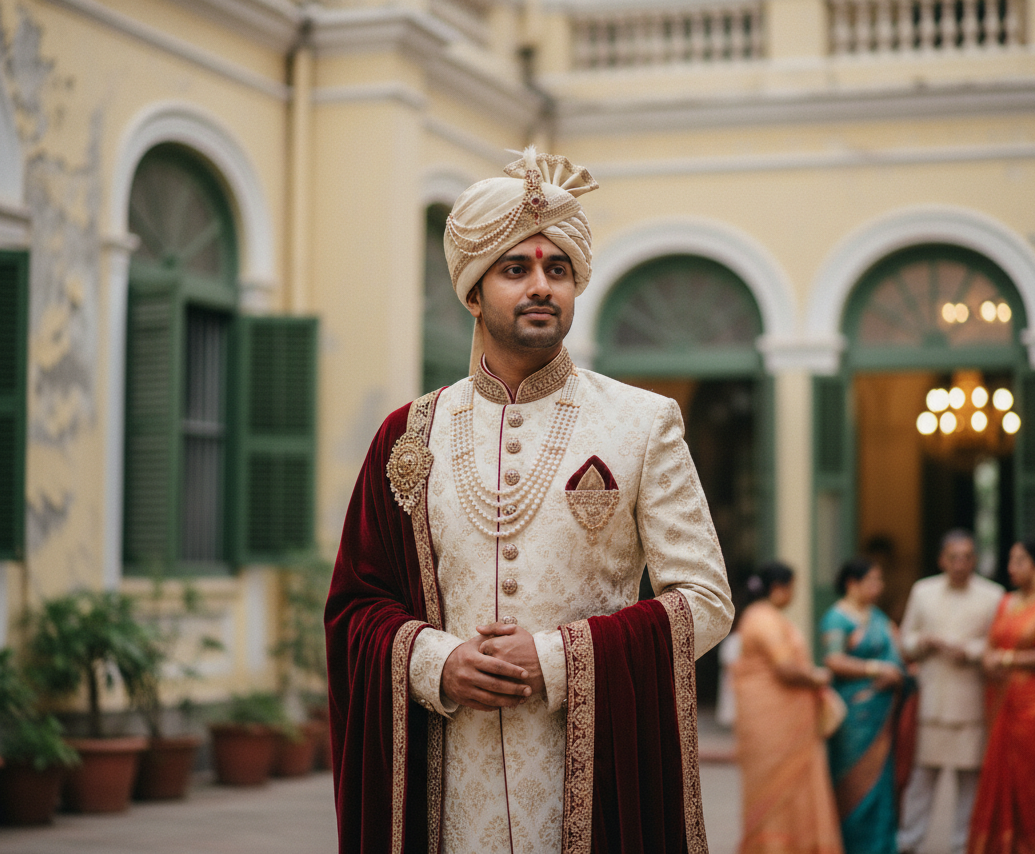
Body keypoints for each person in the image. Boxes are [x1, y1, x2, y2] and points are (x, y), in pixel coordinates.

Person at [324, 147, 734, 854]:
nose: (541, 286)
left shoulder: (641, 423)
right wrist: (434, 662)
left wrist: (553, 659)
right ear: (473, 293)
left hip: (595, 788)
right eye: (516, 268)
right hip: (450, 793)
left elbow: (704, 600)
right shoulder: (407, 436)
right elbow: (355, 606)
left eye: (558, 269)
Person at [896, 529, 1002, 854]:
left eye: (967, 557)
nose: (960, 563)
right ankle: (909, 843)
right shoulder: (923, 591)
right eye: (953, 557)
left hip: (970, 701)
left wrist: (969, 650)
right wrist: (923, 642)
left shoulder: (993, 595)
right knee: (922, 781)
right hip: (933, 699)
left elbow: (998, 643)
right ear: (942, 559)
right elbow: (905, 638)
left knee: (969, 781)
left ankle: (962, 845)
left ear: (975, 560)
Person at [734, 561, 843, 854]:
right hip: (772, 723)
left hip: (789, 721)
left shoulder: (768, 616)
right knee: (774, 788)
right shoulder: (763, 619)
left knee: (796, 788)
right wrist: (817, 676)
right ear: (779, 588)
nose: (794, 594)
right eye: (792, 587)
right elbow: (784, 669)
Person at [820, 557, 905, 854]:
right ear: (852, 583)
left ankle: (880, 847)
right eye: (873, 580)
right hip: (852, 714)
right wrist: (875, 669)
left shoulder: (878, 618)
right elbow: (834, 660)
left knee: (881, 785)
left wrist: (894, 671)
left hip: (881, 715)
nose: (878, 587)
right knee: (850, 780)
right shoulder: (837, 618)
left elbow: (897, 655)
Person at [966, 538, 1035, 854]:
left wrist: (1005, 660)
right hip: (1000, 700)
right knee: (1000, 771)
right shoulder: (1006, 602)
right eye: (1010, 560)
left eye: (1020, 561)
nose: (1011, 568)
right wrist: (988, 658)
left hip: (1030, 704)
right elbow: (991, 644)